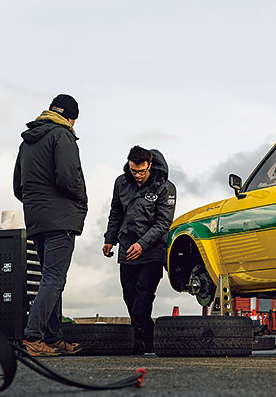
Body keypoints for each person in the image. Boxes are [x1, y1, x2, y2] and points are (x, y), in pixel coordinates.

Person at [13, 94, 87, 356]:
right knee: (54, 279)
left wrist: (37, 207)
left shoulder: (27, 143)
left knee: (51, 279)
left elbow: (17, 187)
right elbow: (69, 178)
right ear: (70, 117)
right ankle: (33, 336)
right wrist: (81, 201)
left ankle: (54, 338)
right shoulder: (62, 135)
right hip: (61, 218)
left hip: (37, 219)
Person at [103, 146, 177, 354]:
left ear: (150, 165)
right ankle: (147, 338)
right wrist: (110, 239)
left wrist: (142, 244)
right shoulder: (121, 182)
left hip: (152, 251)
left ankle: (140, 338)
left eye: (142, 171)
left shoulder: (166, 187)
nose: (137, 175)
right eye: (134, 170)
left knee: (143, 295)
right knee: (129, 295)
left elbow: (163, 223)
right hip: (127, 247)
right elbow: (116, 212)